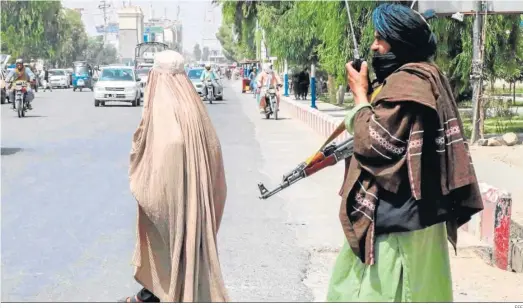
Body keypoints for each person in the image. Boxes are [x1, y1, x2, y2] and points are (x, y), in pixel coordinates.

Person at [326, 4, 484, 302]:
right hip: (424, 215)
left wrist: (360, 95)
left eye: (379, 38)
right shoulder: (428, 76)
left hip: (398, 222)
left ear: (400, 42)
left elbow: (375, 143)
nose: (373, 46)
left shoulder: (407, 84)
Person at [121, 50, 228, 302]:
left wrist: (142, 172)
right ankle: (157, 293)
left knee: (169, 238)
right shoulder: (194, 105)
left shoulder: (162, 106)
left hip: (173, 192)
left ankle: (160, 294)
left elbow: (164, 149)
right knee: (185, 243)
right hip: (197, 194)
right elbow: (214, 150)